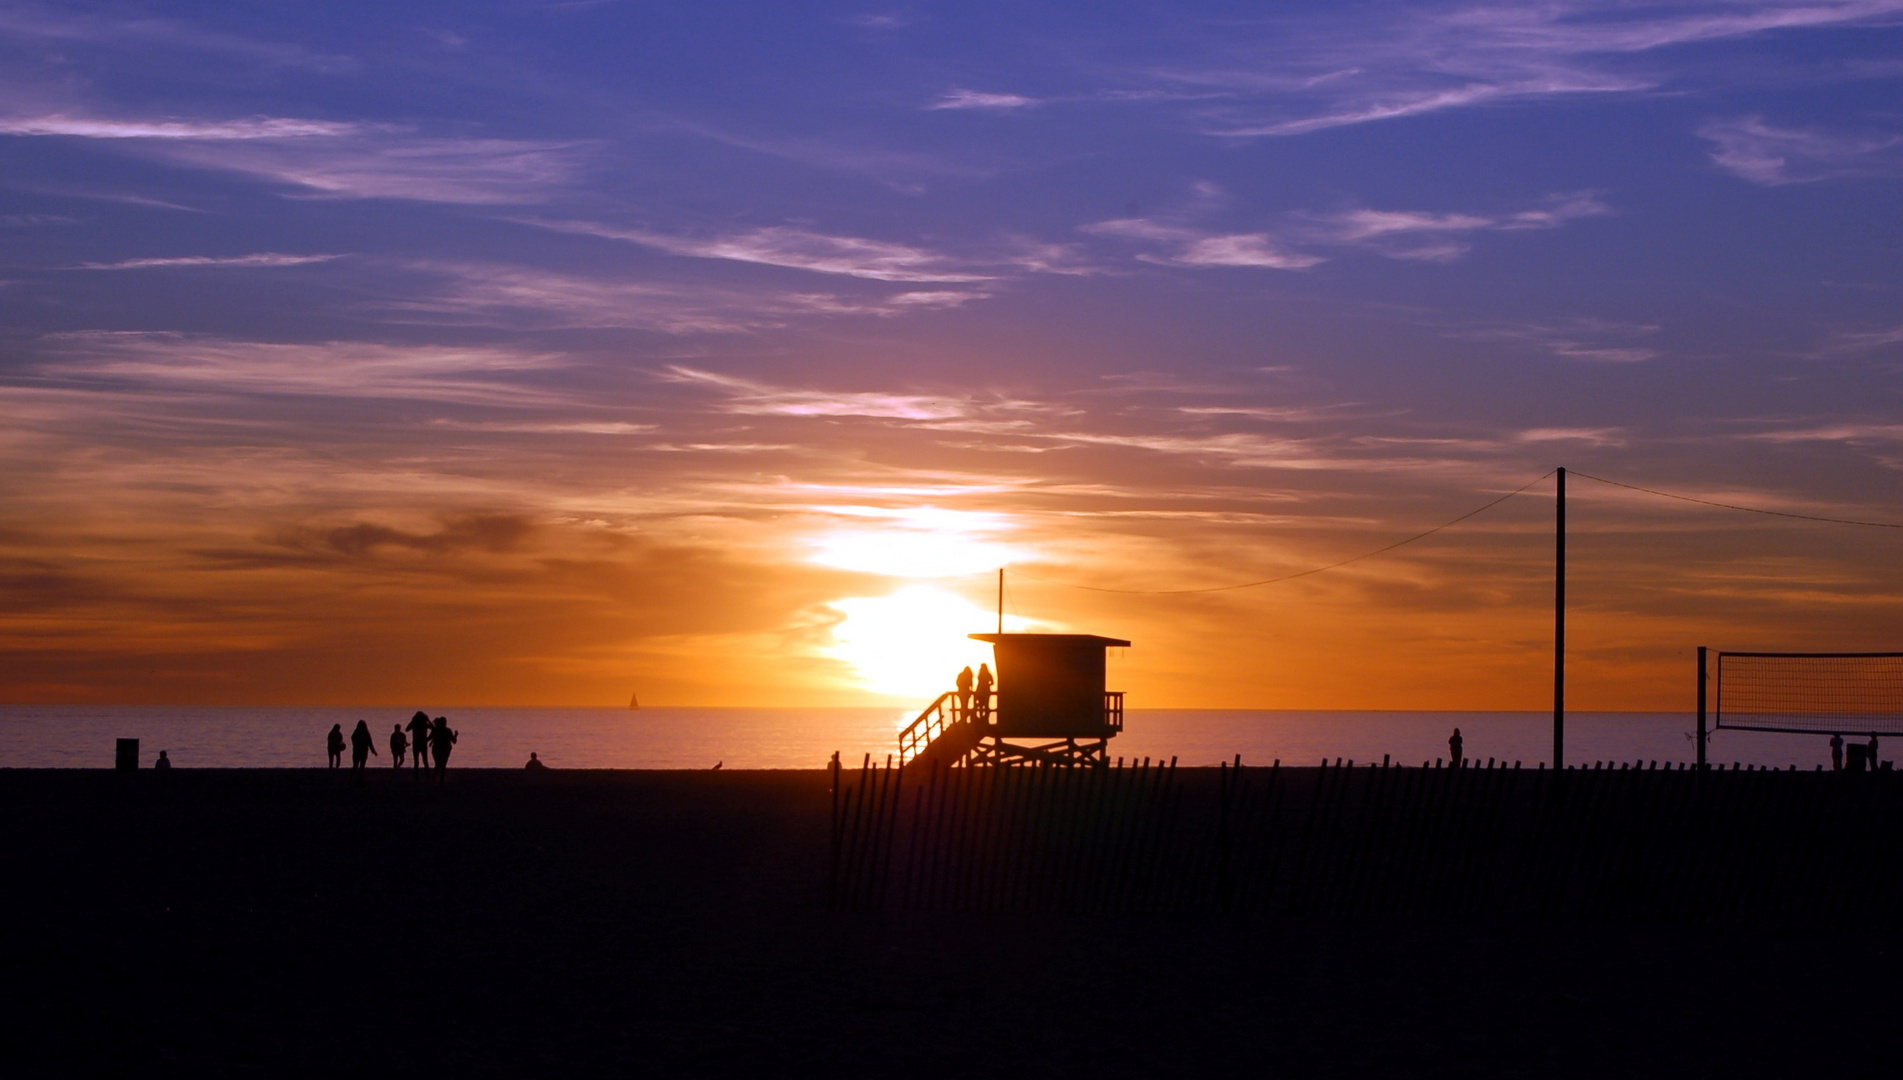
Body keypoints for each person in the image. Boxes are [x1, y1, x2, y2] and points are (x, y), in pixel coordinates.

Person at [429, 716, 457, 783]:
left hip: (436, 749)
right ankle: (440, 780)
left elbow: (428, 738)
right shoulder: (448, 730)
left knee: (437, 764)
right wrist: (455, 735)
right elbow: (454, 741)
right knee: (443, 765)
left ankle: (434, 778)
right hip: (445, 749)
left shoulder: (435, 730)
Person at [405, 711, 432, 777]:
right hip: (422, 744)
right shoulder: (424, 724)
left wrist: (412, 721)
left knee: (416, 761)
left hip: (417, 744)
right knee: (425, 761)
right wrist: (428, 720)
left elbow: (407, 729)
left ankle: (417, 777)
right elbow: (433, 727)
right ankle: (427, 776)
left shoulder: (415, 724)